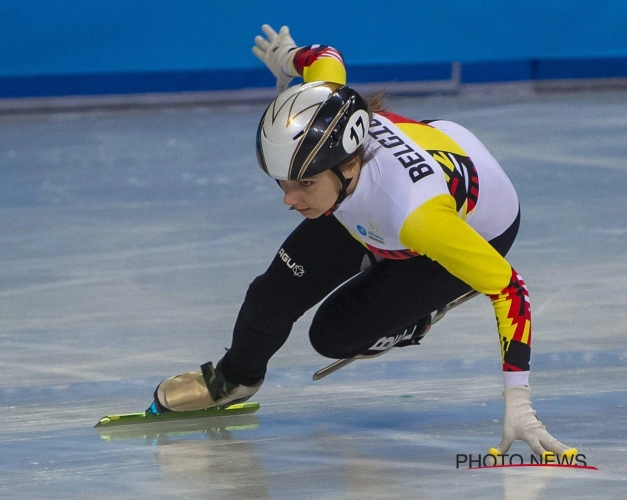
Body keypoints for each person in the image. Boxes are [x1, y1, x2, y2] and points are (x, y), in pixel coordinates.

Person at [153, 24, 575, 458]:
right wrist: (287, 55)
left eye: (302, 184)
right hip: (396, 181)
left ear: (349, 163)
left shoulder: (417, 217)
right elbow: (325, 58)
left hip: (471, 226)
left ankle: (421, 312)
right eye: (281, 182)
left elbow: (510, 290)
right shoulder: (332, 123)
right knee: (270, 295)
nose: (289, 199)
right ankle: (235, 378)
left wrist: (519, 403)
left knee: (334, 335)